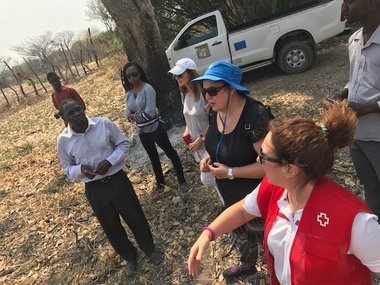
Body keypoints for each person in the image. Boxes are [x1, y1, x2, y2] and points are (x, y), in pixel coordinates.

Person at [188, 101, 380, 284]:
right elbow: (243, 211)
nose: (257, 158)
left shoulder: (355, 222)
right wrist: (208, 233)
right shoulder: (276, 188)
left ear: (290, 169)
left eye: (263, 155)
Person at [56, 98, 162, 278]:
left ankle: (149, 249)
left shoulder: (103, 124)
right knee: (110, 225)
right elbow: (67, 168)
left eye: (78, 109)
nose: (77, 114)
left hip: (117, 180)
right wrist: (80, 170)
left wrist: (110, 161)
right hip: (94, 189)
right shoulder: (63, 140)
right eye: (71, 113)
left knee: (134, 216)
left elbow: (124, 144)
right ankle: (129, 256)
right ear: (63, 118)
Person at [191, 61, 274, 279]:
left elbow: (270, 167)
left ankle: (277, 273)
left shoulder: (255, 116)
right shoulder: (215, 111)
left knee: (270, 242)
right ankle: (248, 265)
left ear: (232, 88)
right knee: (241, 235)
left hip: (259, 199)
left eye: (212, 91)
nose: (207, 97)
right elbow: (220, 142)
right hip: (231, 197)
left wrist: (230, 172)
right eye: (204, 91)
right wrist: (210, 157)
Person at [330, 0, 380, 219]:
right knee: (371, 188)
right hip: (357, 136)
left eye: (349, 1)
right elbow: (356, 81)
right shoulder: (354, 40)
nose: (343, 7)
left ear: (370, 3)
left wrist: (368, 108)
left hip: (378, 137)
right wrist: (342, 96)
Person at [121, 62, 188, 194]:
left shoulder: (148, 89)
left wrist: (134, 115)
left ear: (139, 73)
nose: (132, 78)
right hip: (142, 131)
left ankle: (182, 181)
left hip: (156, 128)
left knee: (170, 153)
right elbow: (126, 115)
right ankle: (160, 183)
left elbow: (150, 114)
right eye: (128, 76)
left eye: (134, 74)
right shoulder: (129, 94)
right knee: (153, 157)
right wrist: (138, 115)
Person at [168, 58, 224, 205]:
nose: (176, 78)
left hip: (209, 141)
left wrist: (201, 138)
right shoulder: (184, 94)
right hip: (196, 144)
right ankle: (226, 203)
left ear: (191, 74)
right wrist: (187, 132)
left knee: (207, 177)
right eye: (176, 75)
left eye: (180, 75)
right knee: (214, 175)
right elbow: (188, 117)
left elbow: (214, 120)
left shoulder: (204, 94)